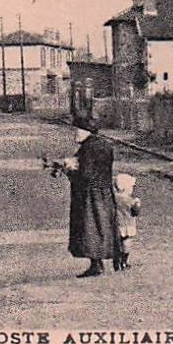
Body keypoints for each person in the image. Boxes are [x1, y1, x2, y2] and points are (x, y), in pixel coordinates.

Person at [64, 115, 120, 277]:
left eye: (77, 130)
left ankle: (96, 264)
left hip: (89, 194)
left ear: (85, 131)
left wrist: (70, 170)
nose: (75, 134)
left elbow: (86, 174)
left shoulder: (87, 148)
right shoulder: (105, 144)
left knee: (90, 227)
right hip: (105, 191)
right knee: (106, 225)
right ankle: (116, 257)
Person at [113, 172, 141, 271]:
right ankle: (124, 262)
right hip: (128, 224)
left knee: (117, 244)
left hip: (116, 224)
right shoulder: (130, 200)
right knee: (126, 242)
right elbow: (135, 212)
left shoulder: (114, 198)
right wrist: (137, 203)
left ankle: (116, 262)